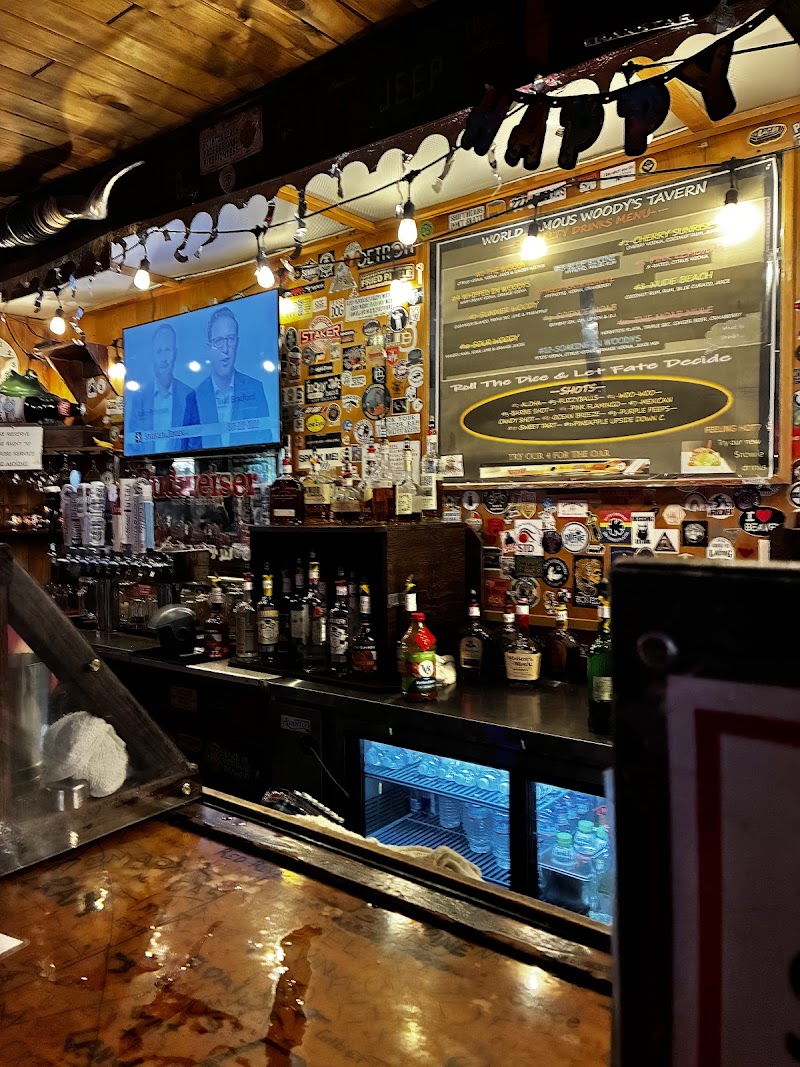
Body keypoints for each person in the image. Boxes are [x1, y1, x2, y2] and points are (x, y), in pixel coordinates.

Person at [184, 306, 272, 449]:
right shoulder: (194, 397)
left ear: (236, 343)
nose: (225, 349)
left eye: (230, 339)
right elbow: (186, 447)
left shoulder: (255, 388)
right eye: (218, 341)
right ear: (209, 348)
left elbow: (266, 439)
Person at [126, 323, 194, 454]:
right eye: (159, 351)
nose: (164, 358)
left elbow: (195, 442)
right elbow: (133, 443)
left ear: (175, 353)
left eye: (168, 350)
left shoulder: (189, 395)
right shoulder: (139, 398)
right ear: (153, 356)